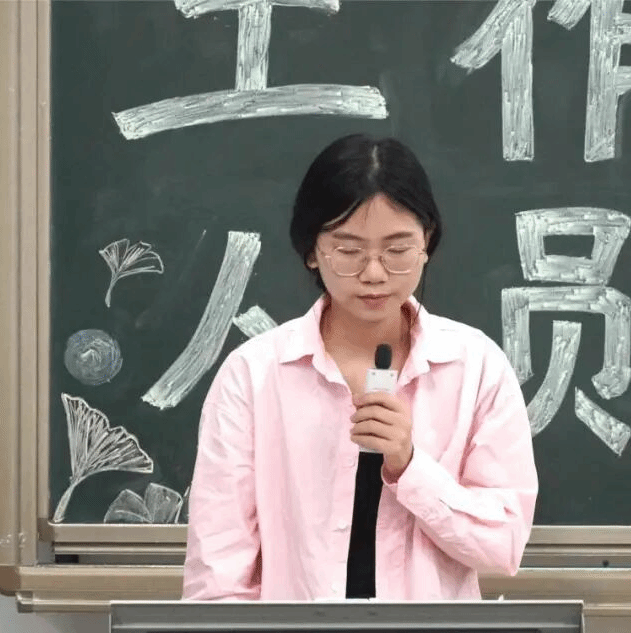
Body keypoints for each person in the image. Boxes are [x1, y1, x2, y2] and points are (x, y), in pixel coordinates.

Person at [182, 133, 538, 601]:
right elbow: (218, 576)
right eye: (349, 251)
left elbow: (503, 546)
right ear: (312, 250)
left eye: (397, 250)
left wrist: (410, 467)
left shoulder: (476, 367)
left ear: (427, 242)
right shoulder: (253, 375)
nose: (374, 273)